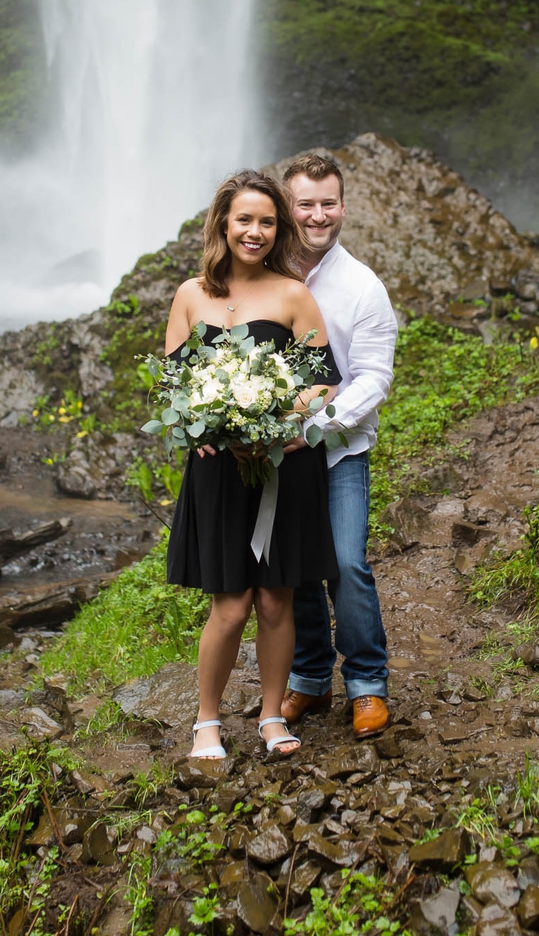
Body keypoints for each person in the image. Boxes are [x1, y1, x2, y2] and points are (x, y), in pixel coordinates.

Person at [164, 169, 342, 758]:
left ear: (279, 228)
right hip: (219, 468)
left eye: (267, 221)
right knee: (230, 602)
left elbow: (322, 382)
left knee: (274, 599)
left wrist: (282, 419)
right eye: (245, 219)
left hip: (284, 467)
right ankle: (207, 722)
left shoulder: (293, 293)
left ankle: (271, 717)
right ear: (223, 224)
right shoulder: (191, 294)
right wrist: (202, 429)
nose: (256, 231)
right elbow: (174, 384)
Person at [279, 152, 398, 741]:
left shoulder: (362, 288)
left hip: (338, 449)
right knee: (295, 570)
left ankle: (368, 685)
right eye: (306, 204)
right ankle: (307, 679)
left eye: (328, 204)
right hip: (274, 454)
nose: (318, 215)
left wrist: (315, 427)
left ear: (344, 207)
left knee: (347, 565)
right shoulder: (266, 275)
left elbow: (374, 379)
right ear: (288, 206)